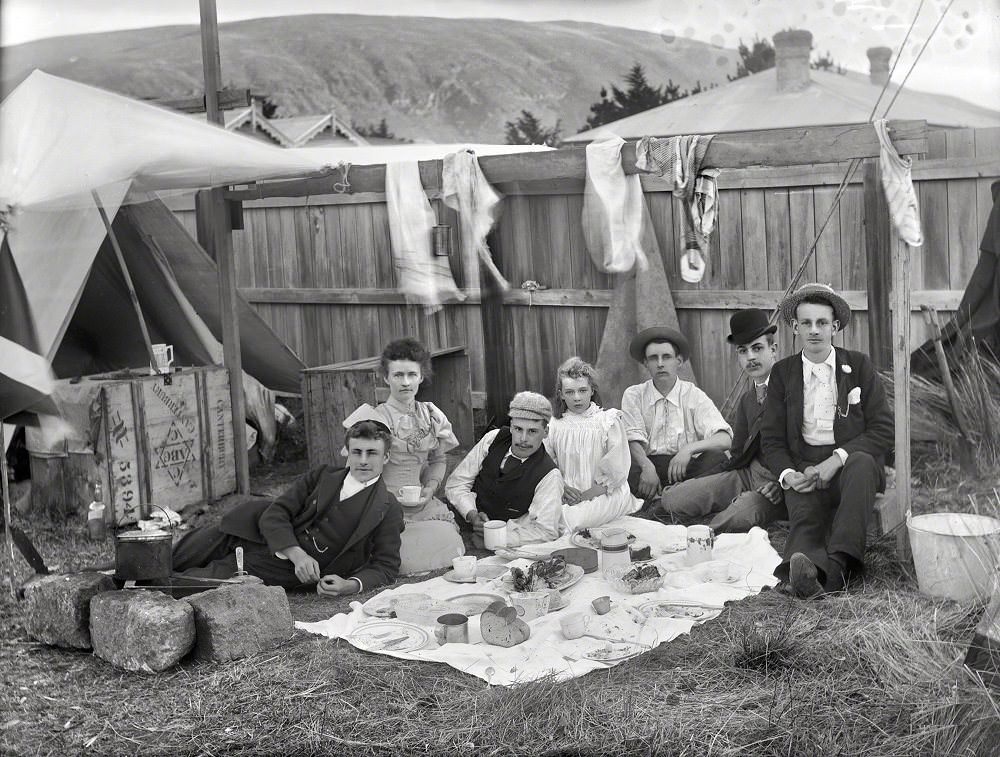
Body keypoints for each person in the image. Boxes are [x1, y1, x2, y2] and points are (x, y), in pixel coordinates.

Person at [761, 283, 893, 598]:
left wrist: (836, 460)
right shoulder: (782, 373)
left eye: (822, 323)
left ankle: (836, 569)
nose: (814, 330)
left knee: (862, 464)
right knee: (804, 514)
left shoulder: (857, 365)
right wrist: (788, 474)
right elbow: (772, 438)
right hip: (805, 465)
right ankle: (806, 570)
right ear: (794, 327)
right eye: (806, 323)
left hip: (850, 463)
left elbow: (883, 428)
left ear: (834, 327)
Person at [172, 420, 403, 595]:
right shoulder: (323, 476)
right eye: (357, 452)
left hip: (285, 569)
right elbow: (277, 511)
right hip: (255, 530)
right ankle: (139, 569)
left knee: (197, 582)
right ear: (348, 453)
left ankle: (146, 588)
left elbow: (386, 566)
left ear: (386, 457)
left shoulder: (387, 507)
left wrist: (348, 585)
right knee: (181, 551)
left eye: (371, 453)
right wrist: (297, 553)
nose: (363, 460)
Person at [655, 309, 786, 532]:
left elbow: (806, 452)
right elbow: (736, 455)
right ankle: (721, 500)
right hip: (746, 475)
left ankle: (704, 536)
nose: (751, 357)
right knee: (674, 499)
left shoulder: (791, 392)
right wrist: (703, 483)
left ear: (773, 350)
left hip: (777, 486)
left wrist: (782, 486)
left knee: (737, 517)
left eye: (757, 348)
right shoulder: (747, 400)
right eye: (743, 351)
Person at [344, 337, 466, 574]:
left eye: (412, 374)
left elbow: (438, 460)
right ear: (386, 377)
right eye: (398, 375)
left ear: (422, 376)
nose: (406, 382)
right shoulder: (372, 419)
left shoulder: (431, 415)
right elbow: (357, 472)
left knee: (449, 539)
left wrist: (430, 488)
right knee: (396, 546)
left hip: (421, 503)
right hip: (383, 504)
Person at [621, 326, 732, 501]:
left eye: (666, 357)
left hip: (686, 469)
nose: (660, 364)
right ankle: (677, 498)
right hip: (650, 467)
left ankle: (671, 497)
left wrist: (688, 450)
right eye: (653, 358)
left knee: (717, 458)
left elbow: (725, 439)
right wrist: (647, 467)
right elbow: (632, 438)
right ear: (645, 363)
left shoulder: (693, 395)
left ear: (678, 361)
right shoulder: (634, 394)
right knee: (621, 466)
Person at [445, 391, 564, 547]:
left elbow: (546, 531)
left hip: (505, 535)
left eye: (532, 431)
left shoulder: (549, 475)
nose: (523, 439)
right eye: (518, 429)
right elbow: (456, 483)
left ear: (546, 432)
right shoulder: (493, 438)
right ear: (511, 425)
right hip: (462, 519)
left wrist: (495, 538)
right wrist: (472, 514)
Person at [546, 357, 642, 531]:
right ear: (561, 394)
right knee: (543, 513)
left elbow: (616, 472)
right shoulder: (554, 425)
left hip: (603, 493)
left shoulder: (607, 421)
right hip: (565, 493)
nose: (577, 398)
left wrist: (583, 497)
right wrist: (563, 488)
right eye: (569, 392)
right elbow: (546, 464)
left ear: (592, 391)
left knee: (569, 519)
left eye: (582, 390)